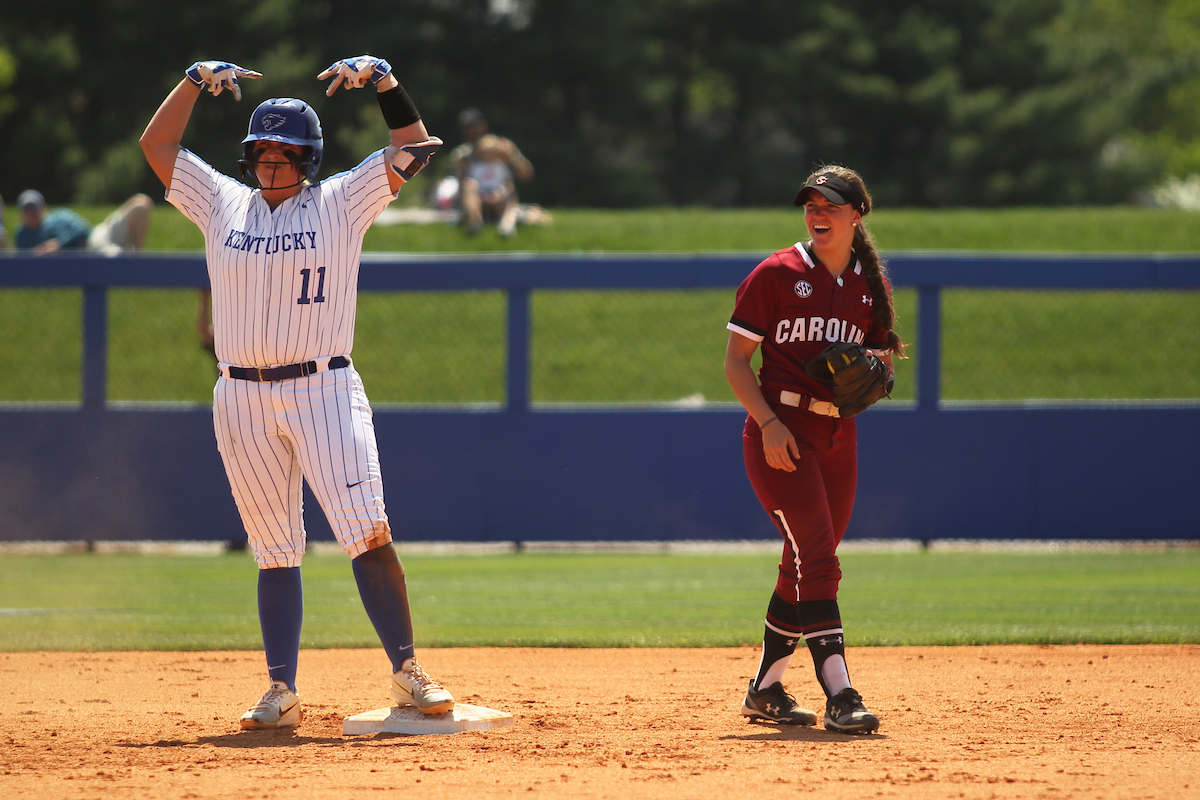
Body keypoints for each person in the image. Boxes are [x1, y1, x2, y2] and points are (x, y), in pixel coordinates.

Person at [139, 56, 453, 730]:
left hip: (324, 388)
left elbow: (410, 147)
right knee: (273, 547)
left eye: (284, 152)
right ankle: (280, 689)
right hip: (241, 397)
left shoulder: (341, 199)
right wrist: (192, 79)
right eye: (261, 150)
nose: (271, 161)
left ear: (308, 158)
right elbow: (157, 146)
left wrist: (386, 81)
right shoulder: (222, 200)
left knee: (366, 529)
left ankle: (406, 672)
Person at [723, 165, 905, 735]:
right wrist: (770, 422)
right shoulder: (775, 274)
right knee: (819, 561)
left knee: (800, 563)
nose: (817, 213)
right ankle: (841, 691)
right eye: (810, 205)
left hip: (837, 439)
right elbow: (736, 364)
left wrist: (877, 368)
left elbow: (883, 358)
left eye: (829, 204)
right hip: (780, 438)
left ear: (857, 215)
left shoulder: (867, 284)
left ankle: (766, 689)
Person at [447, 108, 534, 237]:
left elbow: (526, 175)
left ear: (483, 126)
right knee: (469, 186)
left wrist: (512, 157)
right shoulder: (462, 154)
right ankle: (475, 222)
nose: (470, 132)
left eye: (473, 127)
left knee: (509, 189)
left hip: (500, 199)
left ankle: (507, 225)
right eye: (466, 128)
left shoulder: (503, 147)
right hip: (477, 199)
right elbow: (461, 186)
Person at [15, 189, 152, 255]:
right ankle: (136, 263)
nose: (31, 213)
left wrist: (59, 244)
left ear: (43, 207)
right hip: (91, 254)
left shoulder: (59, 216)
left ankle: (138, 253)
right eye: (26, 209)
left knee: (141, 203)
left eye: (34, 208)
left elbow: (83, 231)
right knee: (119, 260)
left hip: (95, 238)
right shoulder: (22, 235)